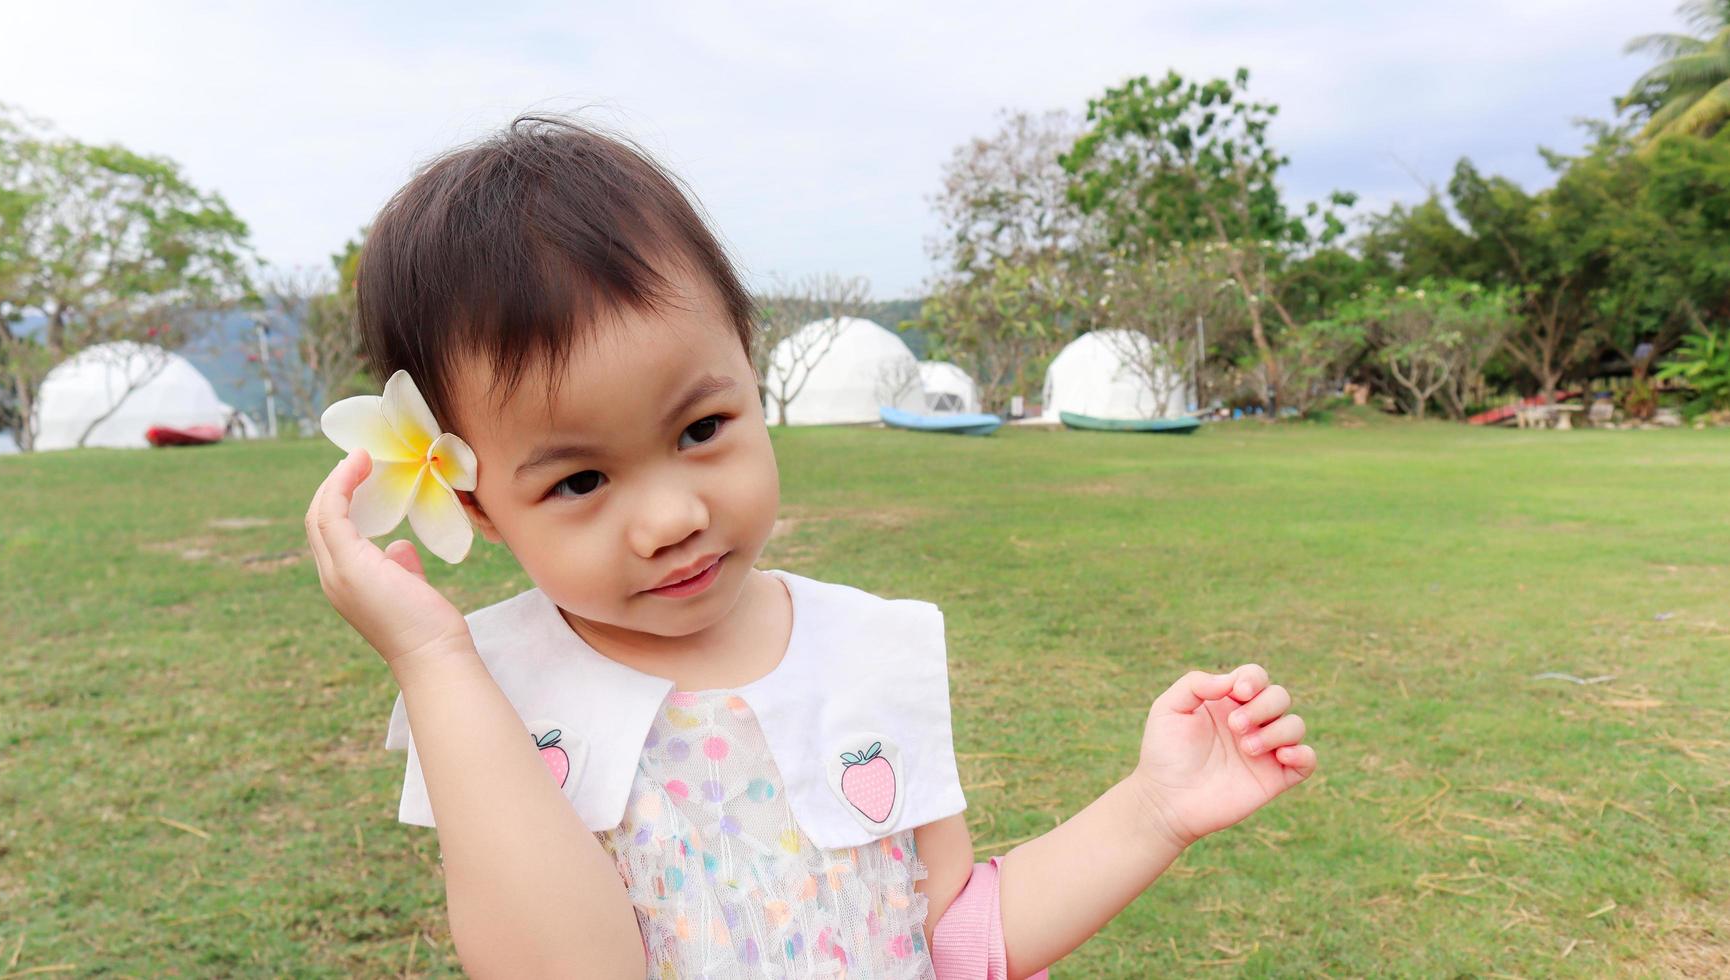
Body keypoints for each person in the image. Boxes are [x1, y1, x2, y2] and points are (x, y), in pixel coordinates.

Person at [302, 115, 1317, 979]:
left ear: (750, 374)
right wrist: (433, 662)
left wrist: (1153, 808)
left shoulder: (867, 647)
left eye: (701, 428)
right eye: (579, 480)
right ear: (477, 505)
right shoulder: (492, 700)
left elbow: (952, 938)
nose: (671, 517)